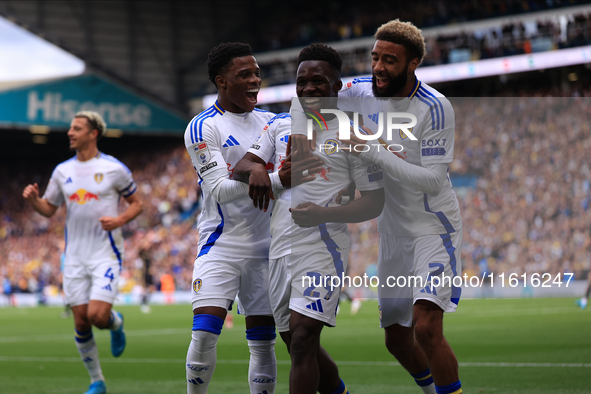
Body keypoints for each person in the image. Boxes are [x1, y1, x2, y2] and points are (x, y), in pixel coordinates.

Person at [234, 43, 385, 394]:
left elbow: (374, 202)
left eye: (319, 81)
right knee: (298, 344)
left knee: (302, 341)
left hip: (323, 248)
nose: (309, 88)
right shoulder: (280, 126)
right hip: (279, 250)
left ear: (337, 86)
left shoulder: (353, 135)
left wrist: (324, 213)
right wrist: (258, 171)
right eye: (302, 81)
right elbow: (242, 166)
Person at [338, 20, 464, 394]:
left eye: (390, 60)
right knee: (396, 339)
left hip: (433, 229)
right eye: (375, 57)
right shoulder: (359, 92)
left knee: (425, 327)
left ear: (413, 64)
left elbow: (432, 180)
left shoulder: (435, 108)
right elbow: (315, 95)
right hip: (393, 233)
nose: (378, 67)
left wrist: (370, 147)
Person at [22, 111, 143, 394]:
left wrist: (120, 220)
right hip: (75, 257)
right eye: (70, 128)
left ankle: (116, 323)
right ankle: (97, 381)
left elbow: (137, 203)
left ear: (93, 133)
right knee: (80, 320)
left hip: (105, 253)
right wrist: (33, 200)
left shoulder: (114, 168)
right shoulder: (62, 171)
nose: (70, 132)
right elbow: (49, 209)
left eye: (76, 128)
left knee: (98, 317)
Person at [183, 42, 279, 394]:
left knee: (263, 343)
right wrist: (276, 180)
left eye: (256, 73)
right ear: (221, 81)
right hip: (221, 244)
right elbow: (221, 190)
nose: (255, 80)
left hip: (267, 247)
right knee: (205, 332)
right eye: (245, 75)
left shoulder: (273, 122)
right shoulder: (203, 127)